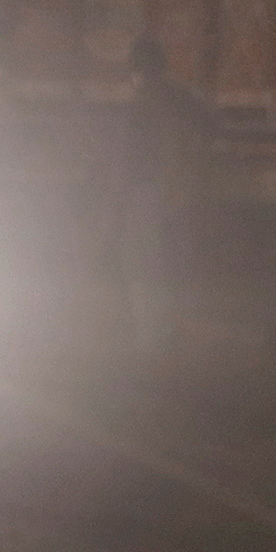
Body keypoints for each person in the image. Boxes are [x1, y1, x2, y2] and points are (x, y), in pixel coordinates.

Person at [103, 33, 209, 359]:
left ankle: (153, 344)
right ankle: (174, 337)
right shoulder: (183, 100)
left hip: (146, 196)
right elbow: (209, 135)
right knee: (173, 267)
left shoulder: (141, 105)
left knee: (143, 269)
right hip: (182, 196)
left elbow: (127, 162)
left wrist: (114, 209)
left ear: (136, 69)